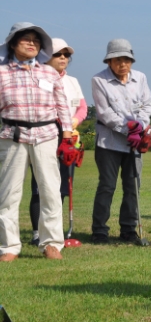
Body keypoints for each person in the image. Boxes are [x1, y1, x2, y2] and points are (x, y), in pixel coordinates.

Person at [0, 22, 76, 261]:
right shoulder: (1, 72)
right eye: (26, 39)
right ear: (12, 43)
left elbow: (62, 107)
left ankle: (51, 243)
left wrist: (67, 139)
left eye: (36, 40)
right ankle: (9, 246)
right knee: (8, 193)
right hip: (12, 135)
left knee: (51, 191)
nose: (32, 43)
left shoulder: (49, 72)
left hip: (46, 136)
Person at [91, 39, 151, 244]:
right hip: (109, 143)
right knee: (107, 186)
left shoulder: (141, 78)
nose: (122, 64)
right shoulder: (99, 80)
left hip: (135, 142)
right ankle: (100, 230)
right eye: (117, 60)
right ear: (109, 61)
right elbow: (105, 113)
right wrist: (129, 129)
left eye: (127, 59)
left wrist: (140, 127)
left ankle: (128, 229)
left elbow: (146, 106)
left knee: (133, 185)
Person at [28, 38, 88, 246]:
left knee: (61, 186)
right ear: (46, 56)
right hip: (44, 136)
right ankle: (37, 232)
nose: (63, 58)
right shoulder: (36, 77)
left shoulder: (72, 81)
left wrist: (73, 123)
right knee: (40, 186)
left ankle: (54, 232)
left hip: (68, 137)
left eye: (66, 55)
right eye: (58, 54)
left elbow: (82, 108)